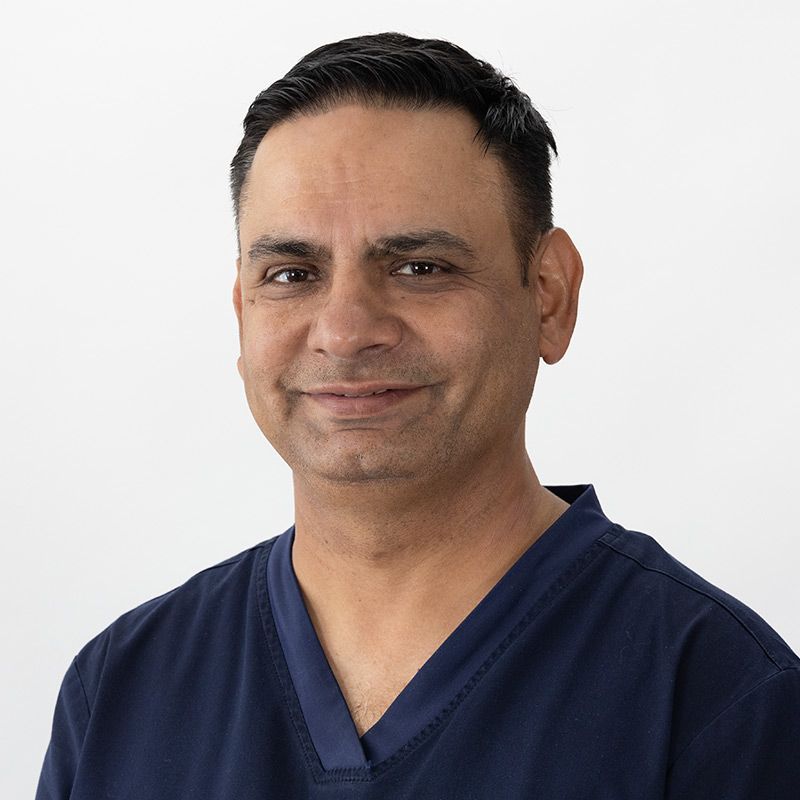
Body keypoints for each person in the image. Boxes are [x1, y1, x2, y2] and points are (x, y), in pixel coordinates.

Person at [36, 32, 800, 799]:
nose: (345, 329)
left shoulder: (722, 703)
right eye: (292, 273)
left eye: (419, 268)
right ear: (242, 314)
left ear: (549, 296)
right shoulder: (119, 694)